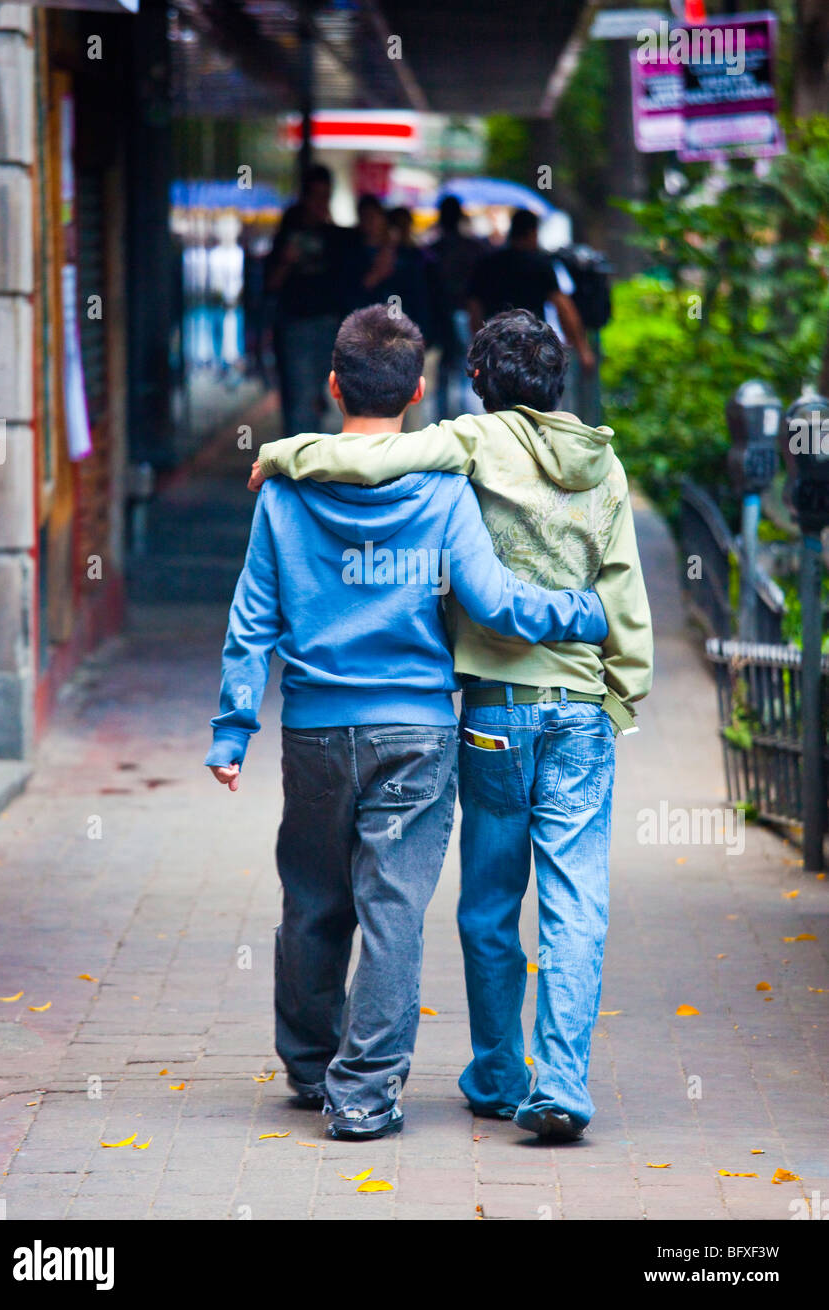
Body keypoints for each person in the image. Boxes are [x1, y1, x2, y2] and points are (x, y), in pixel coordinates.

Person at [207, 305, 608, 1142]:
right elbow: (494, 602)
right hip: (419, 733)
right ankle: (365, 1094)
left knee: (313, 901)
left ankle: (312, 1064)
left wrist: (232, 729)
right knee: (393, 911)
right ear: (420, 393)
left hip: (315, 731)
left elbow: (253, 621)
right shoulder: (444, 492)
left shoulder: (284, 492)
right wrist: (583, 611)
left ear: (331, 385)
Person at [265, 164, 351, 433]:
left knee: (318, 397)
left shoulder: (337, 237)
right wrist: (286, 261)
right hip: (296, 325)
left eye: (325, 196)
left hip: (331, 325)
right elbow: (271, 284)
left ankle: (308, 456)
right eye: (315, 196)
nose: (319, 203)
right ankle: (300, 465)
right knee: (301, 398)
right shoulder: (288, 234)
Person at [468, 209, 595, 374]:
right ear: (532, 232)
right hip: (532, 345)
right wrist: (583, 349)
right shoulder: (541, 264)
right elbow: (564, 308)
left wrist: (479, 343)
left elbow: (473, 306)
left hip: (495, 344)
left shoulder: (488, 264)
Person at [424, 195, 488, 420]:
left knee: (445, 374)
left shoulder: (433, 250)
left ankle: (443, 426)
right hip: (468, 314)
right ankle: (466, 427)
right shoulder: (474, 248)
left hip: (443, 317)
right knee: (466, 372)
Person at [351, 195, 430, 337]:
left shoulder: (404, 255)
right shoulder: (353, 256)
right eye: (366, 217)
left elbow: (418, 295)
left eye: (373, 217)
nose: (370, 223)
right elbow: (349, 296)